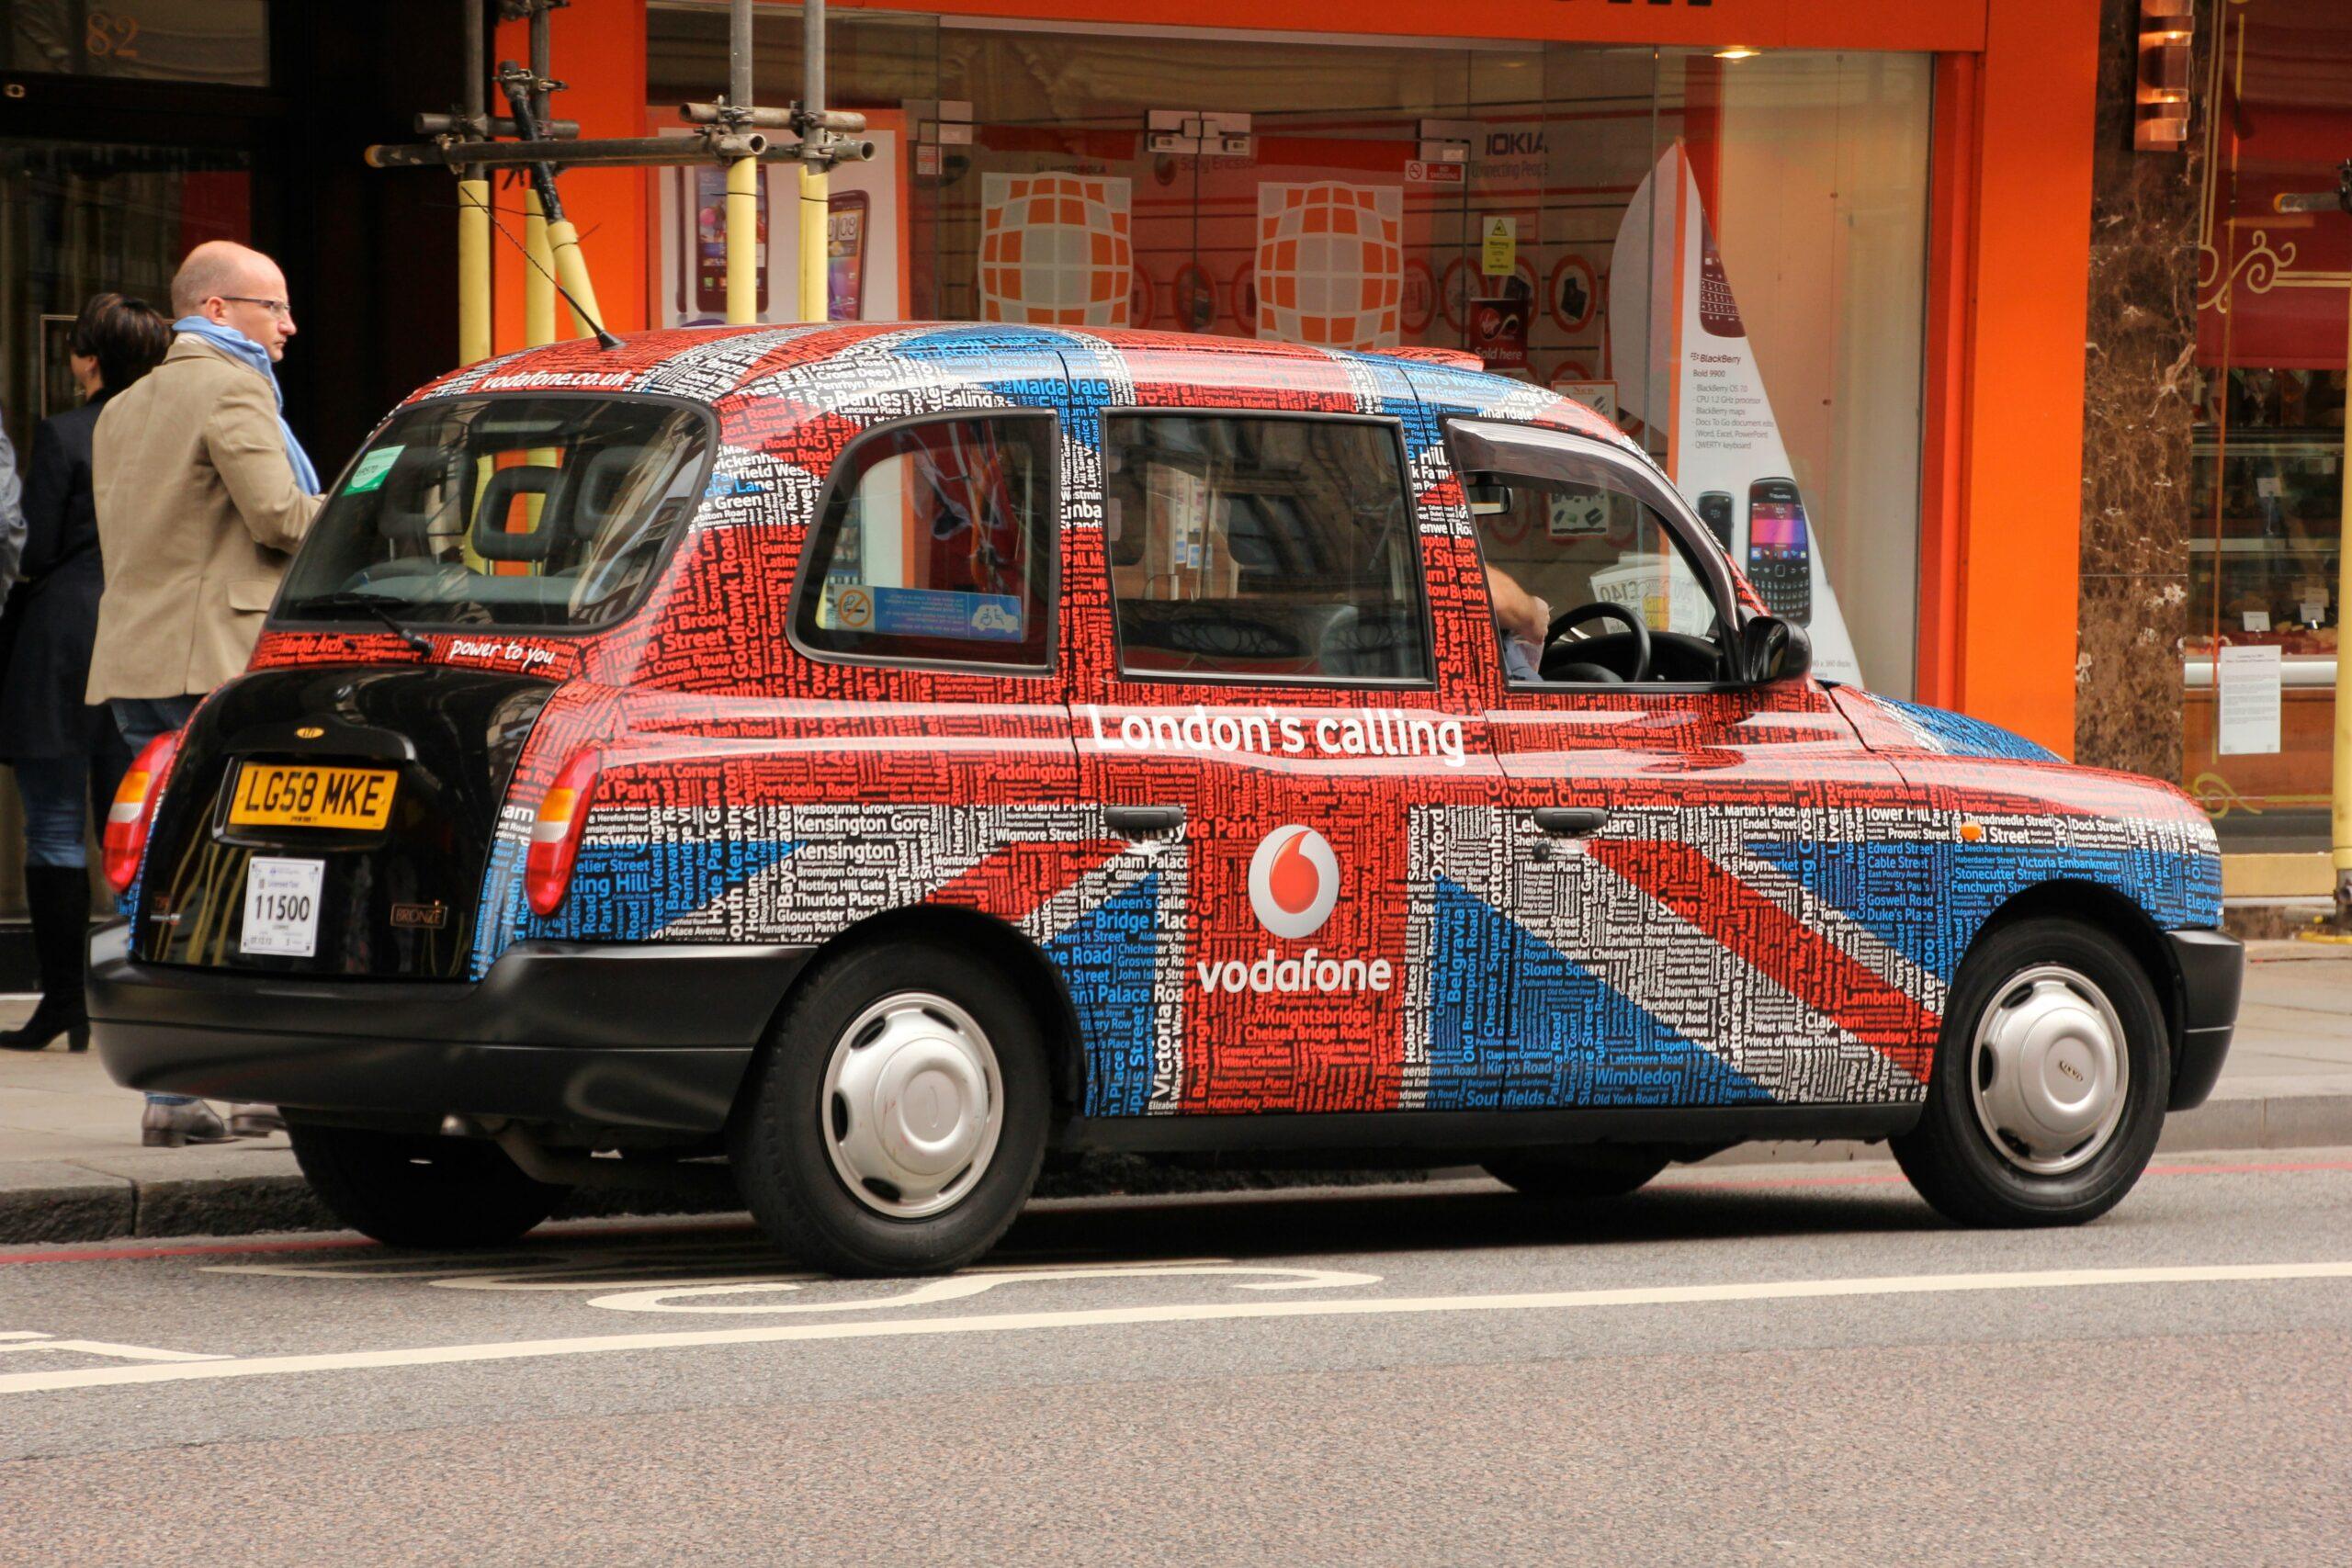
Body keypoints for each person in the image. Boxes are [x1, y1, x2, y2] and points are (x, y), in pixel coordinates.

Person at [88, 242, 324, 1145]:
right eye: (275, 307)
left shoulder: (126, 404)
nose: (288, 326)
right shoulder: (233, 387)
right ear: (220, 311)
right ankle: (247, 1079)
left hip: (139, 662)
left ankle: (175, 1090)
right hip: (217, 661)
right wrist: (367, 508)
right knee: (250, 869)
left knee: (162, 867)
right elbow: (276, 514)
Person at [0, 295, 169, 1055]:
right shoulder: (171, 429)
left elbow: (30, 550)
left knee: (57, 827)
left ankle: (61, 1001)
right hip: (148, 627)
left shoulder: (67, 432)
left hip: (63, 635)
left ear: (89, 360)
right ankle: (132, 1001)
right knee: (132, 825)